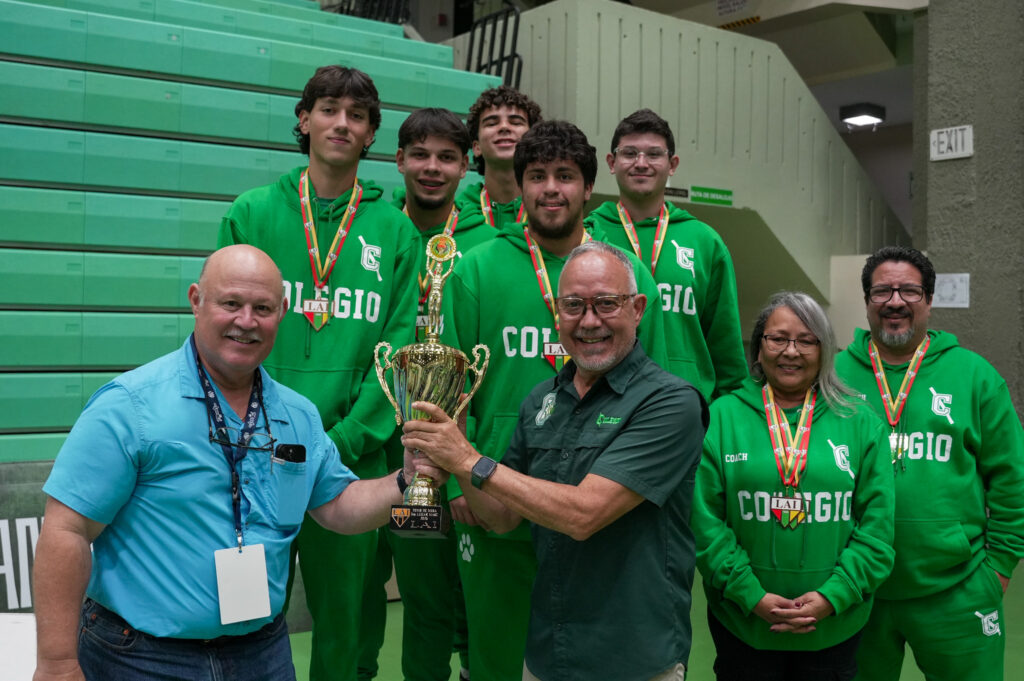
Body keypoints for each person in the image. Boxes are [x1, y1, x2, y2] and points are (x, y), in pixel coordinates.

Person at [31, 245, 442, 681]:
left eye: (262, 308)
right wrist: (57, 664)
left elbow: (338, 504)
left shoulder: (296, 416)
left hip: (261, 653)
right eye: (231, 303)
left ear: (282, 312)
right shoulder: (130, 407)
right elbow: (66, 529)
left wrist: (406, 479)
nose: (246, 321)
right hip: (140, 658)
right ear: (196, 300)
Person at [404, 241, 706, 681]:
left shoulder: (670, 403)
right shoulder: (542, 400)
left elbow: (585, 513)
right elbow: (501, 517)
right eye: (573, 305)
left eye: (606, 303)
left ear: (638, 309)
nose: (589, 321)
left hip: (634, 659)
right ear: (556, 312)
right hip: (549, 654)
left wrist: (469, 461)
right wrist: (452, 447)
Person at [435, 120, 671, 680]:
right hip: (494, 495)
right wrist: (455, 479)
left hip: (596, 495)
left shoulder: (630, 275)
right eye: (536, 175)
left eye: (566, 176)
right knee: (497, 658)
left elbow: (650, 381)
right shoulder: (476, 269)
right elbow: (450, 385)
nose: (550, 188)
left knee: (581, 657)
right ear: (518, 186)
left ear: (589, 188)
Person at [217, 65, 420, 681]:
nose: (341, 122)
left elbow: (401, 345)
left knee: (345, 624)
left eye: (357, 115)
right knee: (244, 611)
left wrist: (345, 440)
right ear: (304, 121)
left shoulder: (396, 232)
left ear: (370, 135)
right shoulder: (252, 214)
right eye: (329, 108)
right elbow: (221, 328)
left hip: (346, 463)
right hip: (251, 456)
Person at [833, 246, 1024, 681]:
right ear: (867, 302)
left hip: (956, 590)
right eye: (882, 291)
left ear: (930, 301)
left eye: (909, 291)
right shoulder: (834, 376)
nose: (895, 301)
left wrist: (999, 568)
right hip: (855, 589)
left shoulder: (975, 376)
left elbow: (1012, 477)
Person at [692, 291, 895, 680]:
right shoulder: (721, 417)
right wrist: (751, 596)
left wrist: (832, 596)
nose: (791, 351)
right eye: (778, 338)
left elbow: (877, 527)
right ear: (758, 346)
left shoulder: (859, 421)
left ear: (824, 349)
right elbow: (705, 523)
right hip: (743, 622)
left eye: (806, 340)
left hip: (834, 624)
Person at [357, 107, 488, 681]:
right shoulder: (374, 227)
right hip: (374, 439)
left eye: (447, 157)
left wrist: (458, 467)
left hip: (437, 449)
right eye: (420, 154)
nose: (432, 168)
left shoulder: (485, 241)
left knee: (436, 596)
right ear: (399, 159)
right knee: (365, 593)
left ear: (466, 166)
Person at [586, 108, 746, 401]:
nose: (641, 163)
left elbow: (727, 351)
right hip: (605, 406)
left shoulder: (704, 242)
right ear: (611, 162)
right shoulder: (590, 236)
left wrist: (724, 418)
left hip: (689, 408)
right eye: (629, 153)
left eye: (654, 154)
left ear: (672, 164)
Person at [454, 85, 543, 230]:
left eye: (515, 122)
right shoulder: (459, 212)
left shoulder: (549, 206)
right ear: (477, 147)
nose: (504, 127)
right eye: (492, 123)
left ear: (534, 141)